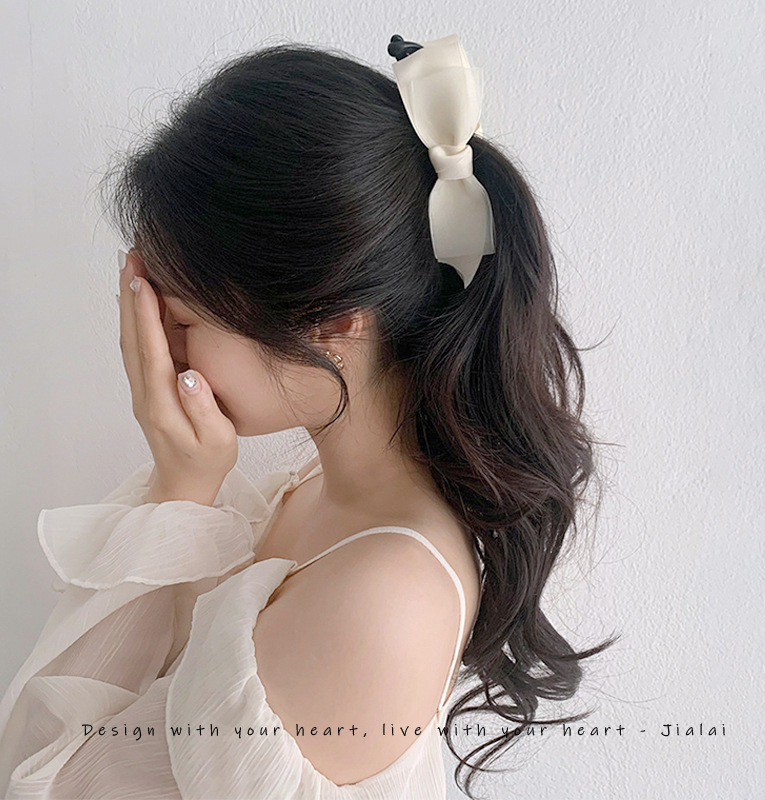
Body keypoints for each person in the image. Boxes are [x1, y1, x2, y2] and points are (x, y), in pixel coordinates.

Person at [0, 33, 618, 800]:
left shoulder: (380, 600)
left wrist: (178, 494)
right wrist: (184, 487)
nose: (158, 347)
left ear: (332, 323)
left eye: (181, 320)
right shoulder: (312, 490)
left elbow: (41, 775)